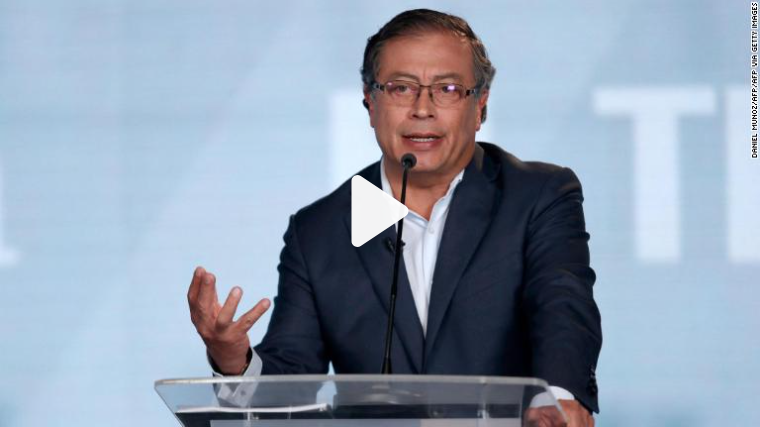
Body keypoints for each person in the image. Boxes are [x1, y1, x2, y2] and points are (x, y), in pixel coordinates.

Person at [187, 9, 601, 427]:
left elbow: (562, 308)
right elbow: (291, 381)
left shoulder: (536, 197)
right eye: (401, 88)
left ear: (480, 106)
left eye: (448, 89)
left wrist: (557, 400)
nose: (422, 109)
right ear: (370, 102)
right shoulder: (319, 232)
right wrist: (233, 361)